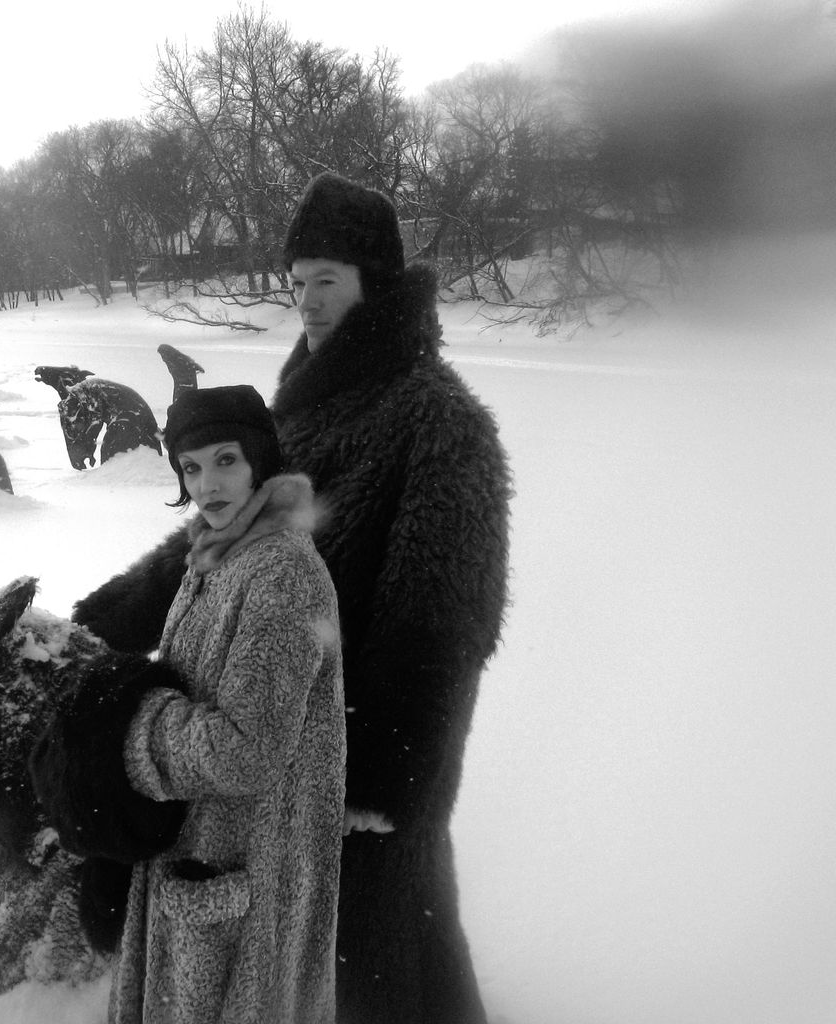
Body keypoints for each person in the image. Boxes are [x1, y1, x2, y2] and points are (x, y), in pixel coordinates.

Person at [73, 173, 512, 1024]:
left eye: (326, 281)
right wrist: (113, 615)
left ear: (374, 282)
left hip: (370, 743)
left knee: (379, 945)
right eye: (295, 282)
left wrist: (384, 775)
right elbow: (225, 529)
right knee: (304, 955)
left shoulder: (439, 420)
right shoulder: (306, 405)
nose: (305, 303)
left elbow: (444, 618)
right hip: (280, 724)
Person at [91, 384, 346, 1023]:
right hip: (211, 861)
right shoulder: (217, 555)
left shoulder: (279, 571)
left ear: (259, 459)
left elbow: (245, 753)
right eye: (191, 467)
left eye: (226, 460)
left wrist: (133, 721)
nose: (208, 484)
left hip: (247, 874)